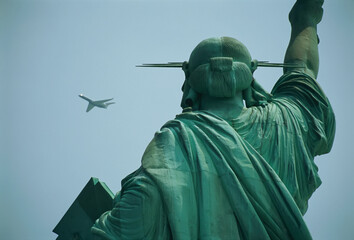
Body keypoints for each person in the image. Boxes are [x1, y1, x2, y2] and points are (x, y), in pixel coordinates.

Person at [92, 0, 335, 239]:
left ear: (189, 82)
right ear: (250, 76)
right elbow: (301, 69)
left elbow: (133, 216)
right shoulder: (287, 122)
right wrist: (305, 18)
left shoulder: (176, 142)